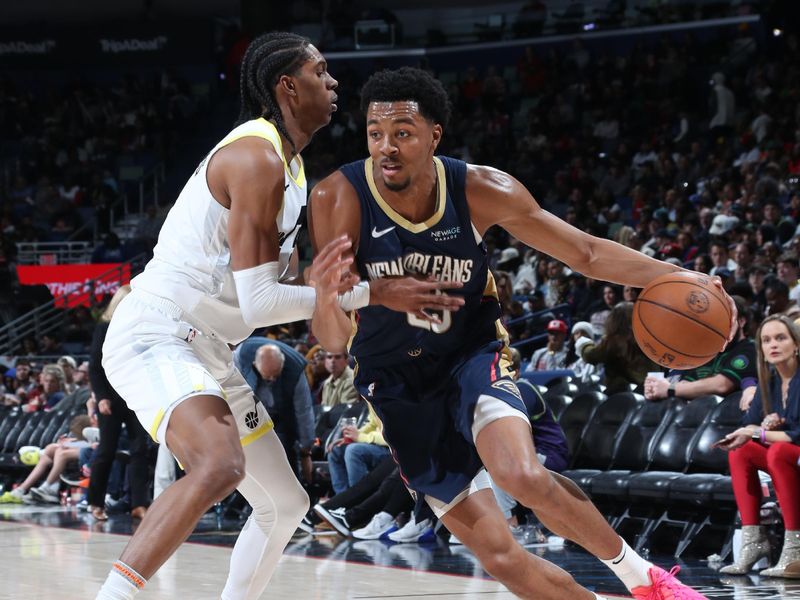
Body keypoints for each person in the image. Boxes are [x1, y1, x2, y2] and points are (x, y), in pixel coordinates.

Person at [307, 67, 731, 600]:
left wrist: (680, 276)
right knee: (502, 558)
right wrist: (325, 296)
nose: (386, 147)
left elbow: (586, 253)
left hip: (469, 356)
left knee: (522, 474)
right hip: (395, 384)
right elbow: (330, 340)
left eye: (403, 133)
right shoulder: (338, 197)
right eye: (374, 133)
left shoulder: (480, 188)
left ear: (434, 135)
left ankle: (643, 579)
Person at [95, 35, 460, 600]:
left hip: (210, 347)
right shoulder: (255, 156)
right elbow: (263, 304)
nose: (335, 83)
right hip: (160, 331)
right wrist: (371, 293)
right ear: (287, 86)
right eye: (321, 71)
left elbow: (277, 291)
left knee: (286, 504)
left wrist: (339, 286)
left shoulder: (292, 172)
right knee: (219, 467)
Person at [714, 315, 800, 578]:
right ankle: (754, 541)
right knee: (742, 450)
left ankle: (795, 546)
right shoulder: (770, 381)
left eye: (780, 338)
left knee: (778, 450)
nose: (773, 344)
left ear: (796, 344)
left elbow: (794, 434)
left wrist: (762, 432)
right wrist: (756, 430)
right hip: (789, 456)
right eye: (766, 340)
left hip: (791, 452)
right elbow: (749, 425)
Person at [87, 286, 150, 522]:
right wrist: (101, 396)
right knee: (106, 451)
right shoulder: (104, 328)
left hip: (135, 396)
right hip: (110, 399)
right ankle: (95, 502)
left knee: (139, 451)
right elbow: (95, 367)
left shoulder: (142, 328)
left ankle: (139, 504)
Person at [644, 296, 758, 405]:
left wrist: (669, 389)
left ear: (742, 321)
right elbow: (684, 384)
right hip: (695, 415)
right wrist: (656, 388)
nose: (718, 325)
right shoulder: (707, 352)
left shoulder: (750, 349)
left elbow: (722, 385)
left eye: (724, 319)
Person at [234, 338, 315, 481]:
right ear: (255, 365)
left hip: (282, 415)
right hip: (251, 411)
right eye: (267, 376)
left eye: (275, 375)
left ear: (282, 364)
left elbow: (304, 412)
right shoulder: (240, 358)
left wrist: (306, 451)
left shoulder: (295, 371)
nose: (271, 380)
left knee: (285, 449)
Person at [575, 302, 657, 394]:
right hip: (649, 391)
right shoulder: (649, 338)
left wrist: (584, 344)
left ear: (613, 320)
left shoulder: (613, 340)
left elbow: (591, 356)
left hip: (621, 394)